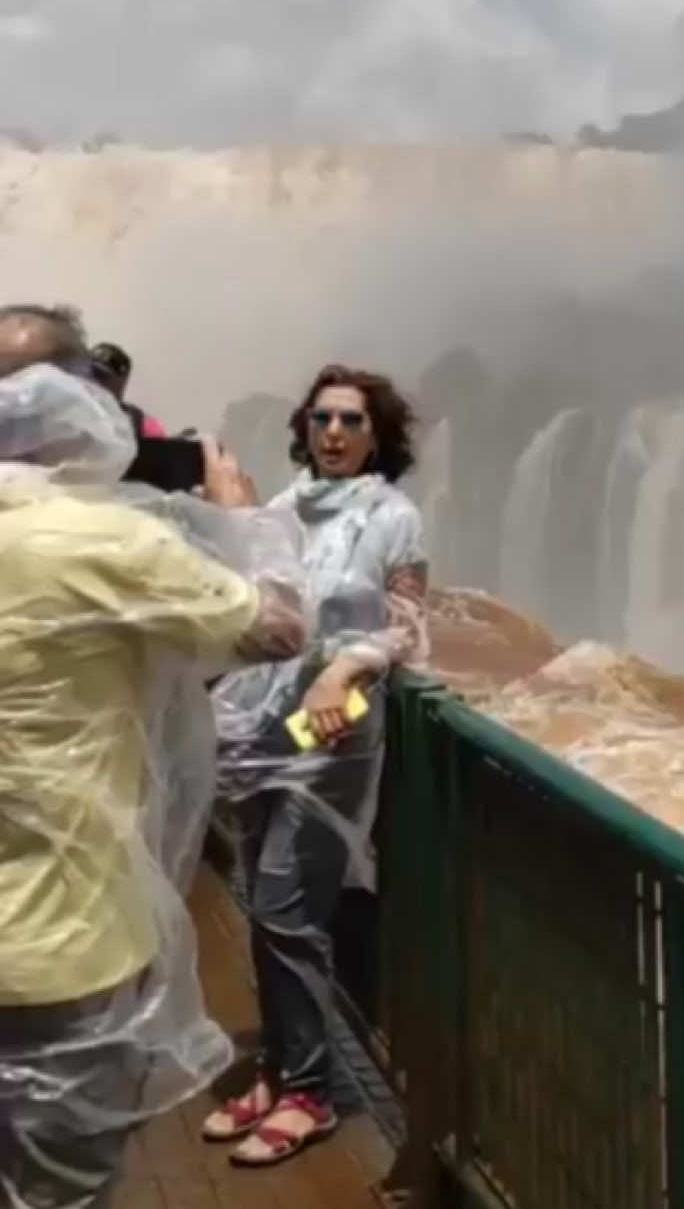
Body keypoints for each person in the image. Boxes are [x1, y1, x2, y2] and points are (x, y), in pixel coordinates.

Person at [0, 304, 309, 1209]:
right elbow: (279, 628)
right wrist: (244, 523)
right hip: (68, 947)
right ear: (80, 402)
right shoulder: (112, 542)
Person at [203, 364, 429, 1167]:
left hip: (332, 734)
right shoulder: (281, 509)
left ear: (378, 436)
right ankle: (278, 1067)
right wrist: (231, 519)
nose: (334, 432)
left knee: (287, 905)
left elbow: (407, 625)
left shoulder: (395, 518)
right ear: (306, 427)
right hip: (262, 726)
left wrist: (347, 666)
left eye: (353, 421)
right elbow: (250, 600)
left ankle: (314, 1091)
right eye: (324, 418)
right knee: (268, 911)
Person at [90, 340, 167, 438]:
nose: (92, 381)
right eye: (89, 373)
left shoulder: (143, 424)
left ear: (122, 381)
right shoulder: (70, 413)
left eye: (101, 376)